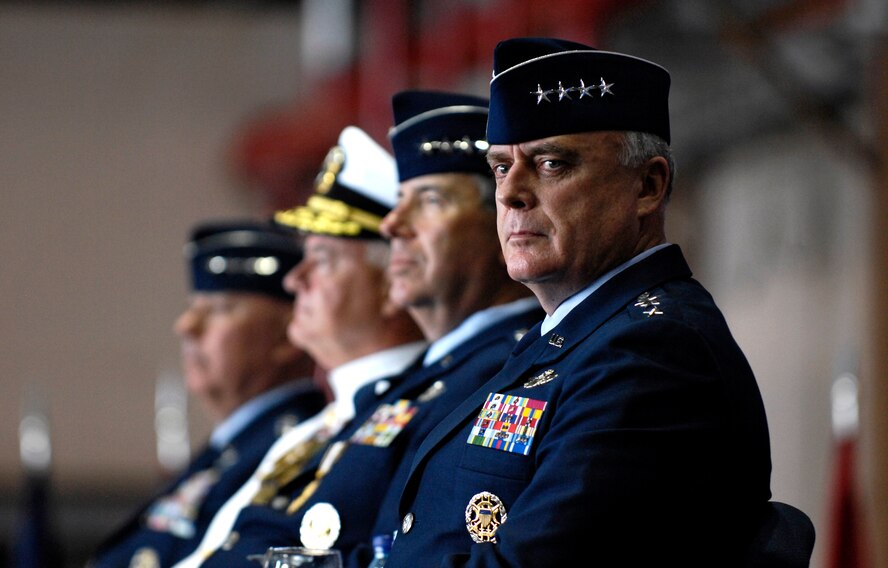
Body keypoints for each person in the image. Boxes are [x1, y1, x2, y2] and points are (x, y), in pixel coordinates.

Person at [384, 38, 773, 567]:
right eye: (501, 167)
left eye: (551, 164)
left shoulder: (652, 352)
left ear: (648, 186)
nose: (510, 193)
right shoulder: (574, 337)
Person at [175, 91, 543, 568]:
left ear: (501, 225)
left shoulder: (506, 370)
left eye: (428, 200)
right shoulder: (422, 383)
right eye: (400, 201)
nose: (393, 225)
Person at [171, 125, 427, 567]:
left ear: (392, 282)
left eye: (323, 259)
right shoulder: (318, 428)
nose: (295, 280)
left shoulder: (416, 414)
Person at [90, 220, 327, 568]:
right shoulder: (229, 450)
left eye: (220, 309)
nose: (186, 326)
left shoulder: (297, 452)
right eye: (192, 307)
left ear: (287, 334)